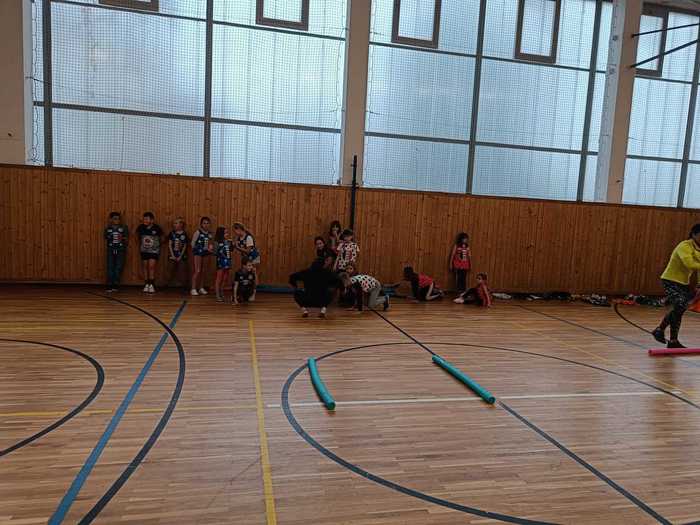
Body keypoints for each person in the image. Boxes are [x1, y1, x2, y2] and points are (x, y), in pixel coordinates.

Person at [653, 224, 700, 348]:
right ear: (694, 234)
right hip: (670, 280)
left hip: (683, 283)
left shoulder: (698, 249)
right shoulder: (684, 246)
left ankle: (672, 340)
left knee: (680, 309)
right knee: (680, 305)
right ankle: (660, 330)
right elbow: (689, 264)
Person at [136, 212, 163, 293]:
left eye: (147, 219)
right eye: (144, 219)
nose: (145, 220)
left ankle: (151, 284)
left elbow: (163, 237)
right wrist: (140, 244)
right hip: (144, 250)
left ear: (152, 220)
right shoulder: (141, 227)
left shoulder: (157, 228)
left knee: (151, 266)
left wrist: (157, 244)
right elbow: (136, 236)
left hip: (154, 251)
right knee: (145, 266)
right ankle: (146, 284)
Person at [233, 222, 260, 301]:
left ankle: (253, 294)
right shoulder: (239, 238)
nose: (235, 232)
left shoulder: (248, 238)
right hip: (247, 259)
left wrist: (237, 247)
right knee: (245, 275)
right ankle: (244, 293)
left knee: (253, 275)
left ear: (239, 229)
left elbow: (248, 251)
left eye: (235, 230)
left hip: (253, 258)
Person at [104, 211, 128, 292]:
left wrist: (121, 238)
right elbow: (105, 237)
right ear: (111, 219)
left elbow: (126, 238)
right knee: (110, 267)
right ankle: (109, 284)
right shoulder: (108, 228)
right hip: (110, 249)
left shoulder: (124, 228)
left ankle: (115, 283)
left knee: (118, 267)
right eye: (115, 218)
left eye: (118, 219)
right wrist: (111, 236)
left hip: (120, 250)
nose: (117, 220)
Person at [190, 216, 213, 296]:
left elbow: (210, 243)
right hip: (198, 253)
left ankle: (201, 287)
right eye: (204, 223)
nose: (206, 225)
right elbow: (192, 243)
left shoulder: (210, 234)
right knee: (198, 270)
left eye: (207, 223)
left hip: (206, 253)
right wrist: (197, 249)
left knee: (204, 271)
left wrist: (210, 247)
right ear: (201, 224)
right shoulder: (198, 232)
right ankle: (193, 288)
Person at [166, 217, 189, 292]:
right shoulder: (172, 233)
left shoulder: (184, 234)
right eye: (174, 223)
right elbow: (169, 245)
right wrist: (172, 255)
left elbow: (185, 246)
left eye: (176, 223)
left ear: (181, 224)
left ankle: (184, 287)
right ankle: (166, 286)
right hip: (172, 255)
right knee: (169, 270)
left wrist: (180, 256)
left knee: (182, 271)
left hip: (182, 256)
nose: (174, 225)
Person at [214, 227, 233, 302]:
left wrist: (232, 244)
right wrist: (211, 249)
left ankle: (222, 292)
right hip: (220, 261)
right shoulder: (217, 242)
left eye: (227, 233)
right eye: (225, 233)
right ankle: (217, 294)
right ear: (221, 234)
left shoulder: (228, 241)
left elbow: (231, 250)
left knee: (225, 277)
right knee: (219, 278)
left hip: (227, 261)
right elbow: (215, 252)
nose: (227, 234)